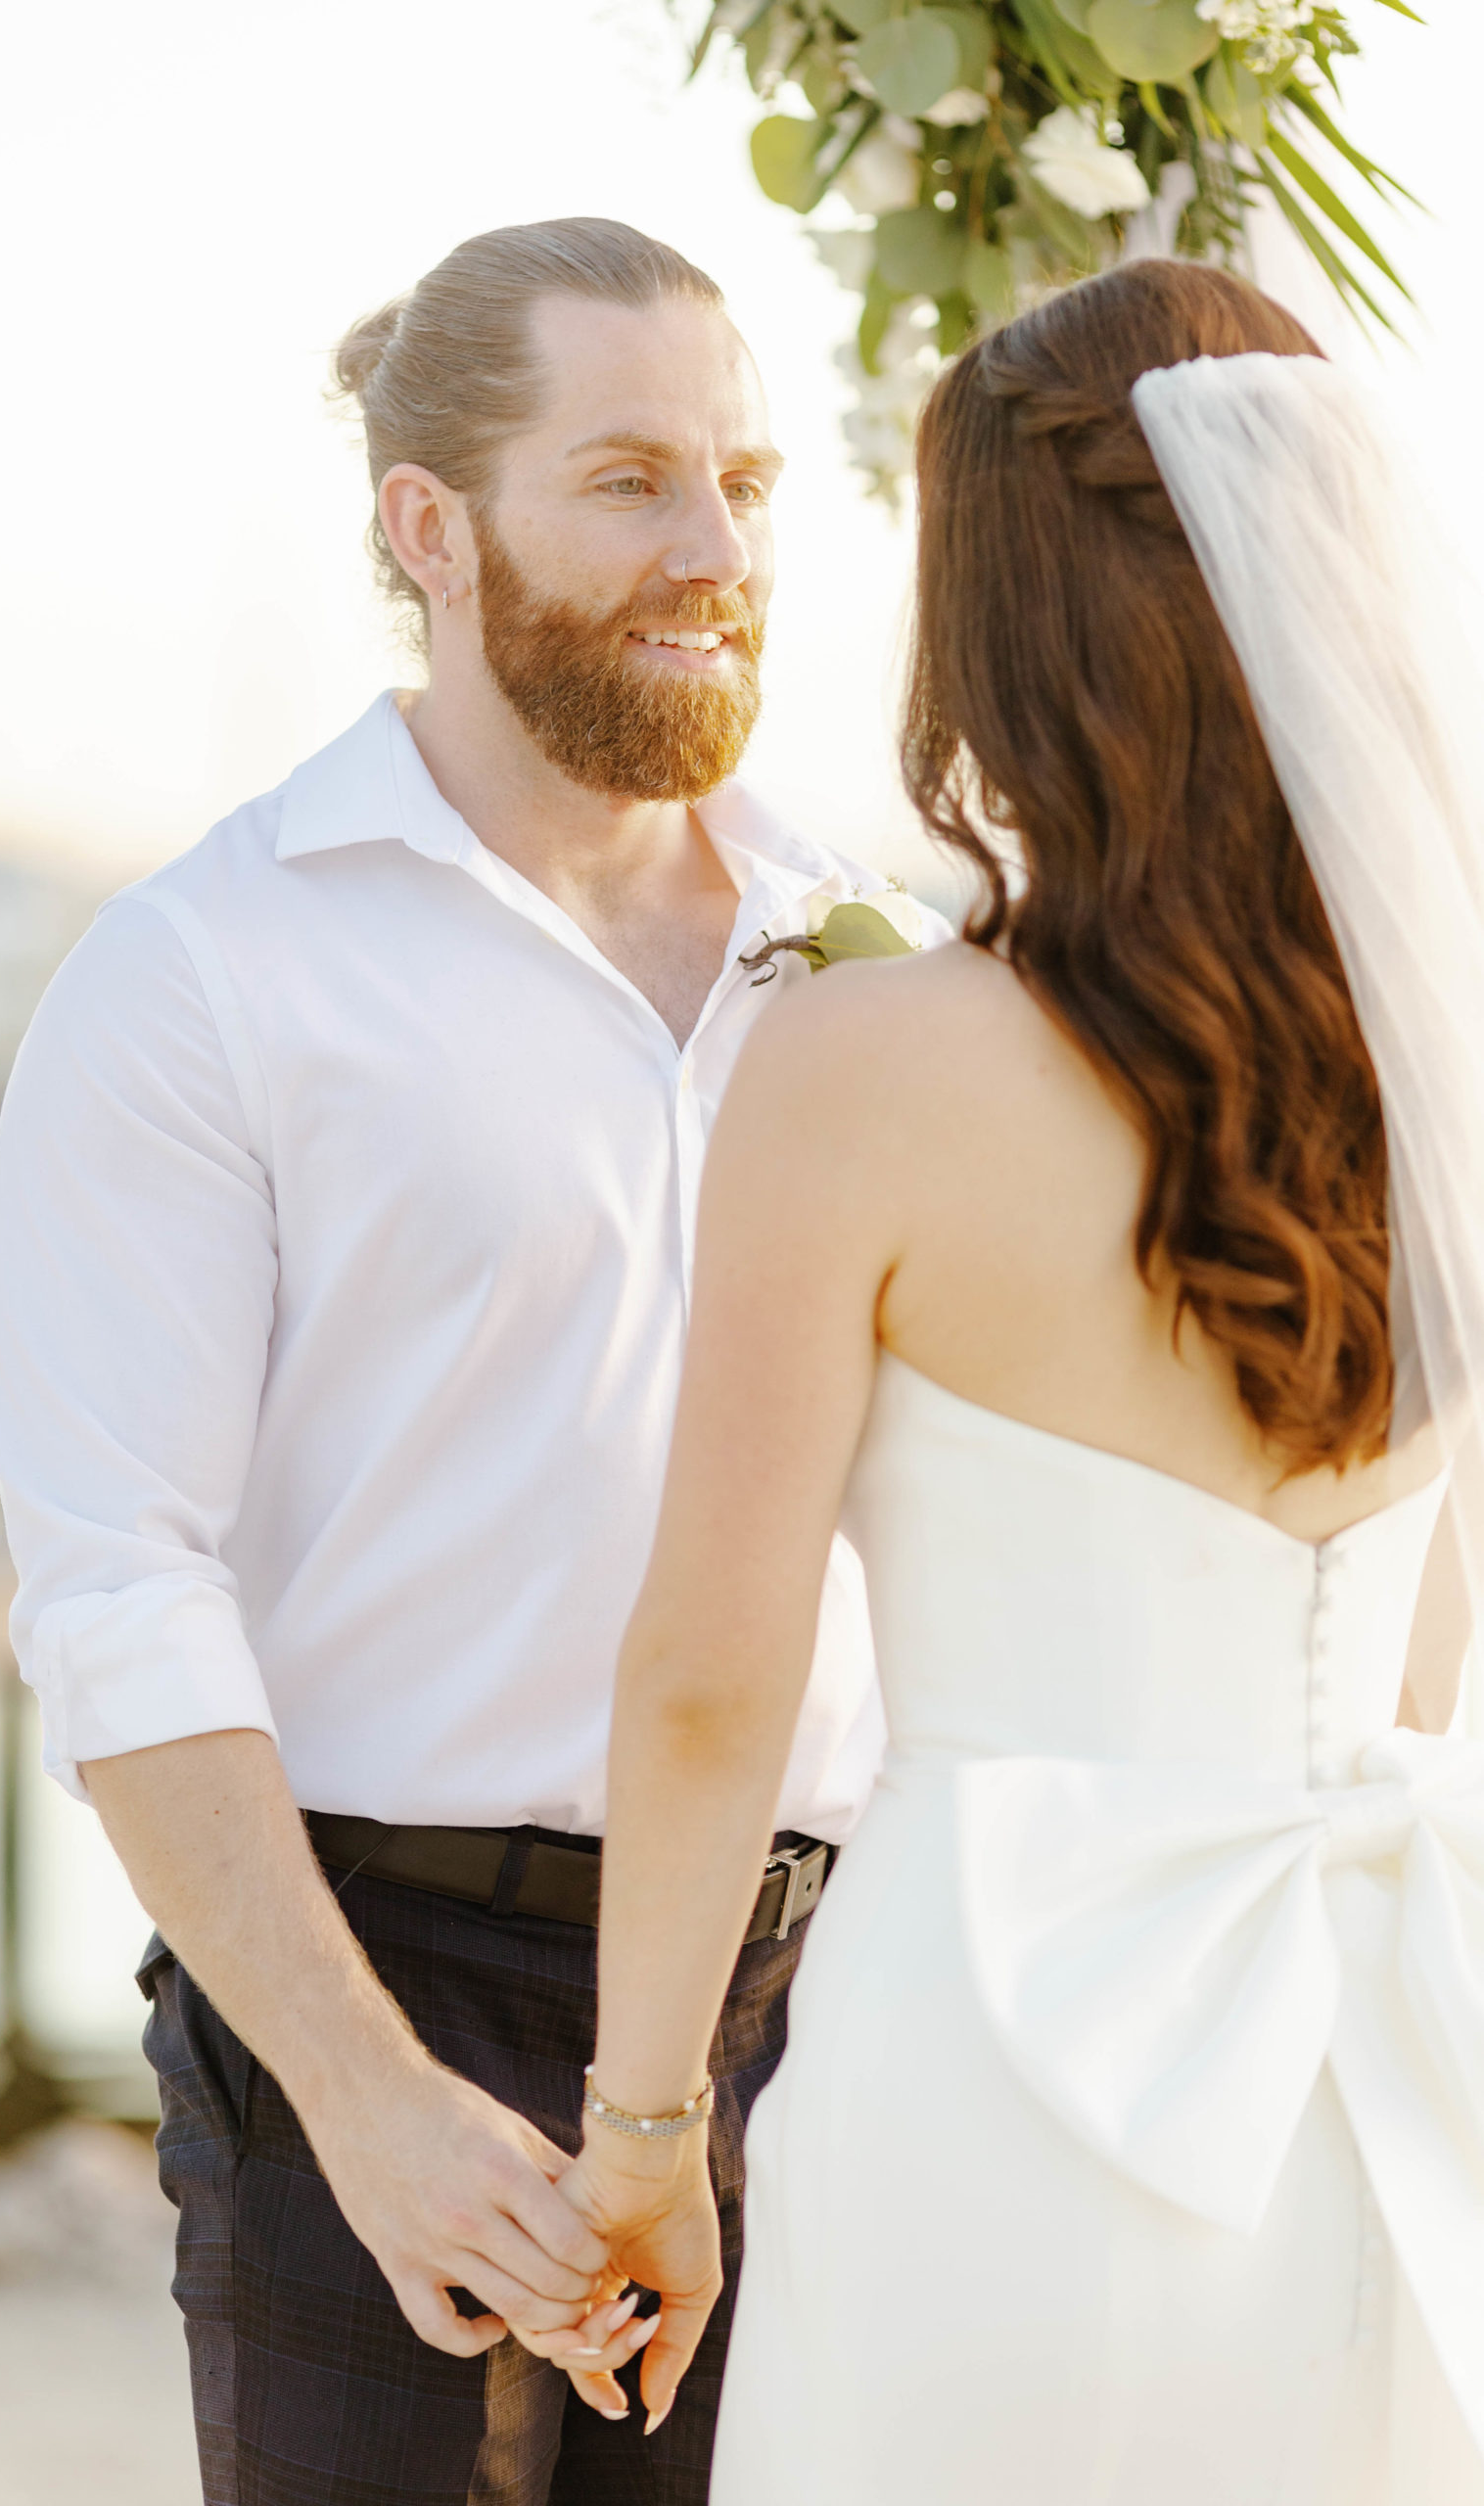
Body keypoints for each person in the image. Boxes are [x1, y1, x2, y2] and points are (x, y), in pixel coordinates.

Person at [0, 217, 943, 2505]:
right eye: (626, 477)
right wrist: (359, 2086)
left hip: (846, 1999)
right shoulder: (202, 972)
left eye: (746, 478)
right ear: (427, 525)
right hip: (384, 1980)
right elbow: (120, 1588)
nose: (712, 547)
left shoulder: (882, 945)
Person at [553, 258, 1484, 2502]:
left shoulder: (857, 1068)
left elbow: (707, 1672)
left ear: (993, 622)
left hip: (996, 2042)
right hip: (1399, 2036)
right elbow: (1435, 1641)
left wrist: (646, 2133)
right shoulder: (1451, 1052)